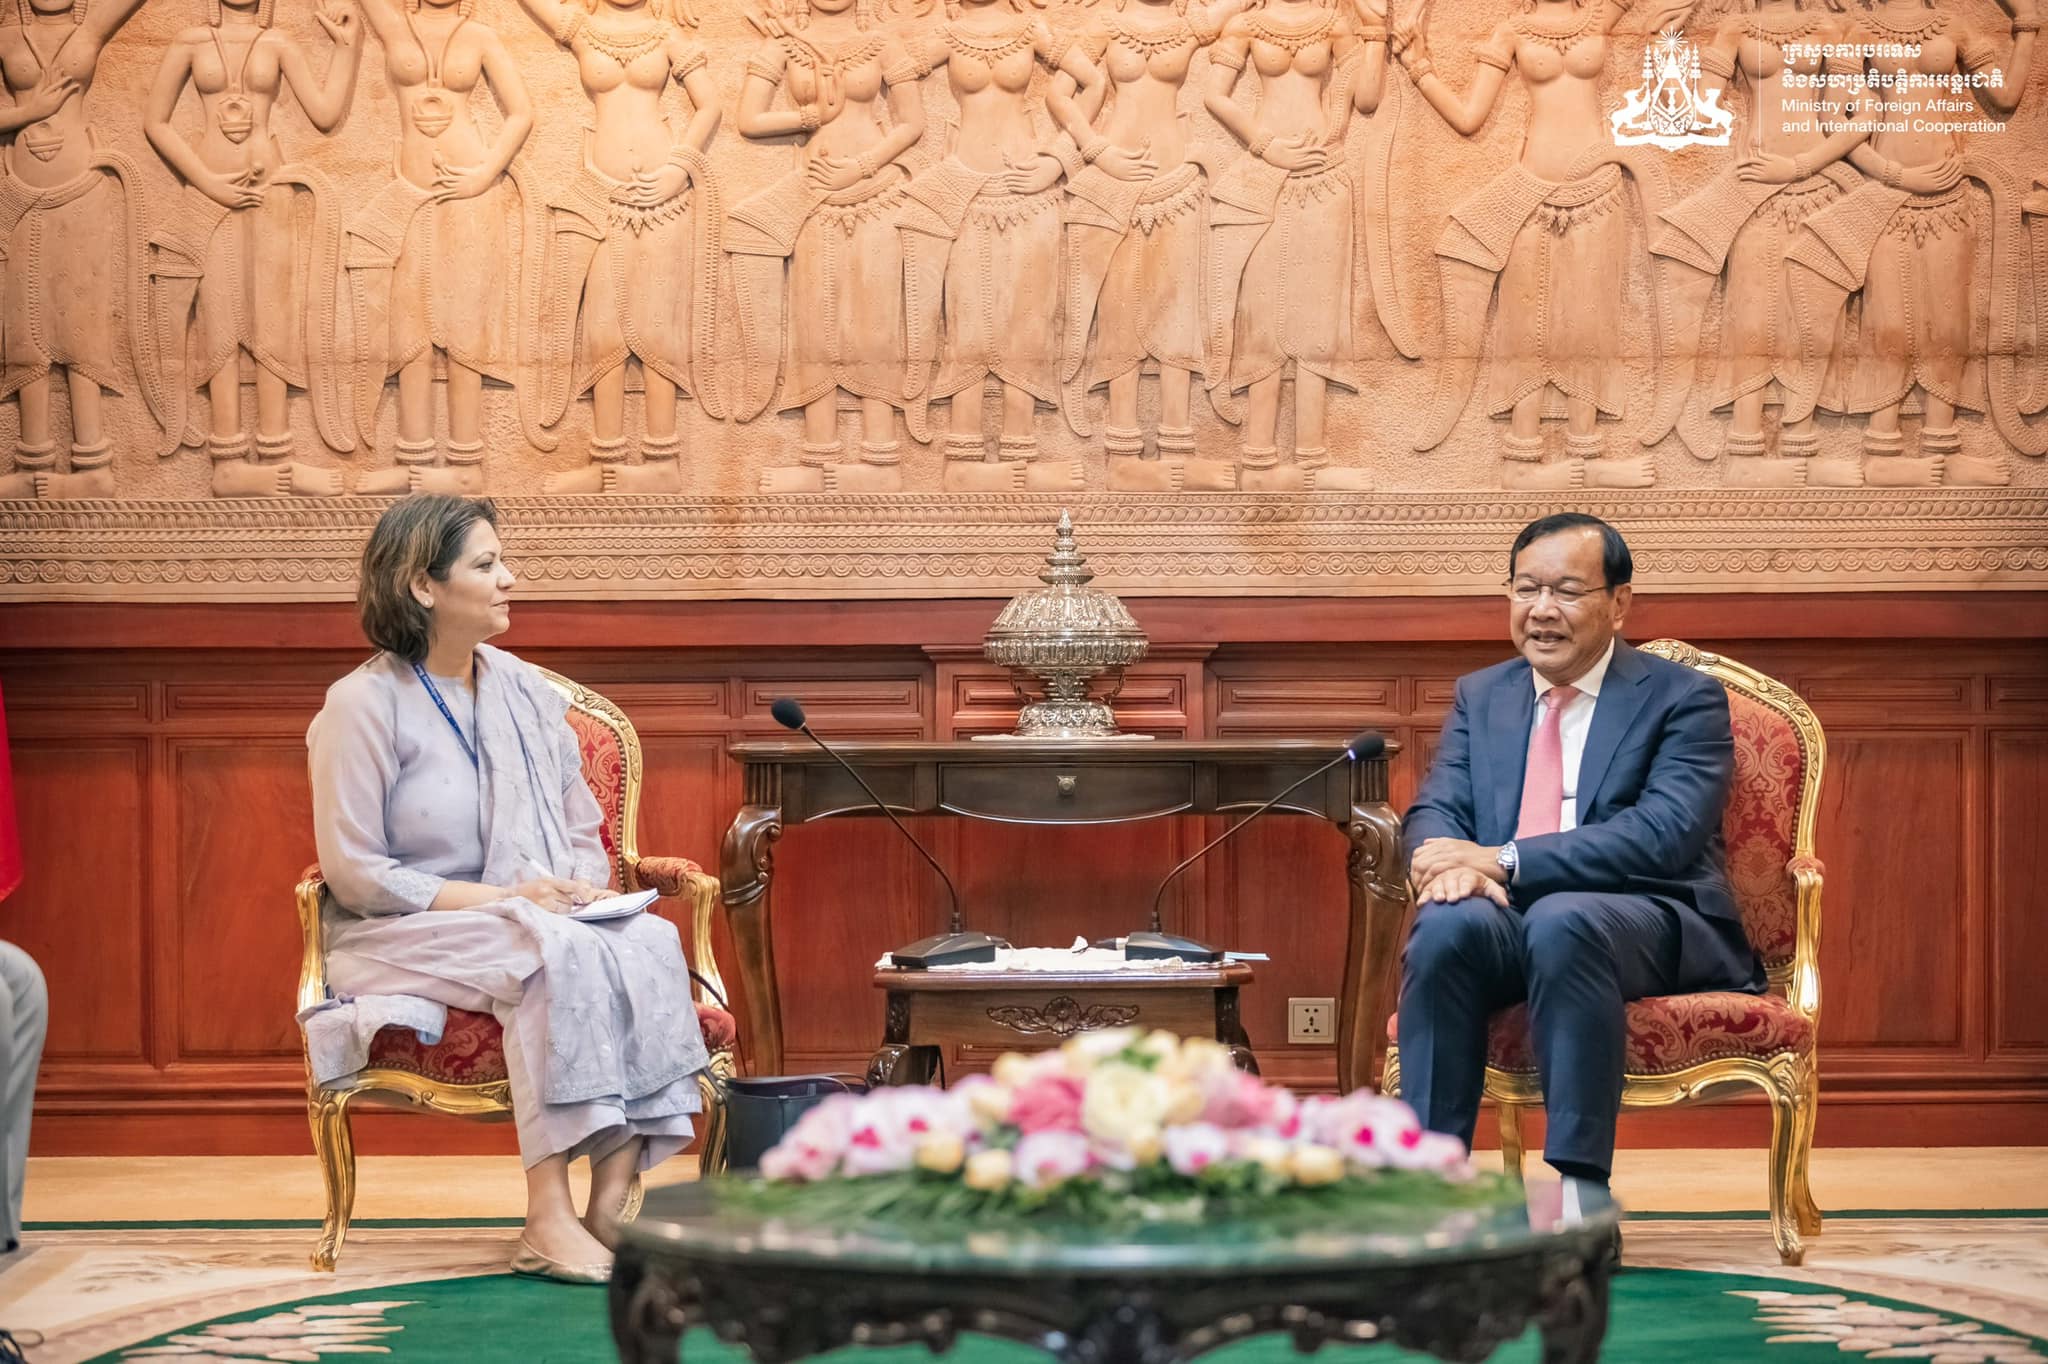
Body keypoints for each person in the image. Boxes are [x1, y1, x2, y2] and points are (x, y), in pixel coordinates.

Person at [306, 493, 710, 1284]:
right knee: (546, 950)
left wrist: (579, 892)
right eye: (486, 564)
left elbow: (580, 826)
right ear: (422, 585)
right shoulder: (361, 706)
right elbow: (354, 873)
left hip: (528, 911)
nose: (509, 578)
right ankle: (546, 1218)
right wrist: (507, 900)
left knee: (649, 937)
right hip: (398, 929)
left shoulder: (524, 690)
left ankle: (609, 1205)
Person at [1397, 513, 1763, 1219]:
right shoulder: (1483, 695)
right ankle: (1430, 1193)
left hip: (1648, 916)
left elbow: (1661, 835)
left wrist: (1501, 860)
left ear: (1618, 604)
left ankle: (1578, 1197)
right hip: (1514, 918)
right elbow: (1436, 808)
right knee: (1445, 925)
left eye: (1566, 591)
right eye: (1526, 589)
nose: (1541, 610)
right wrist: (1448, 870)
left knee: (1564, 920)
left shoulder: (1682, 698)